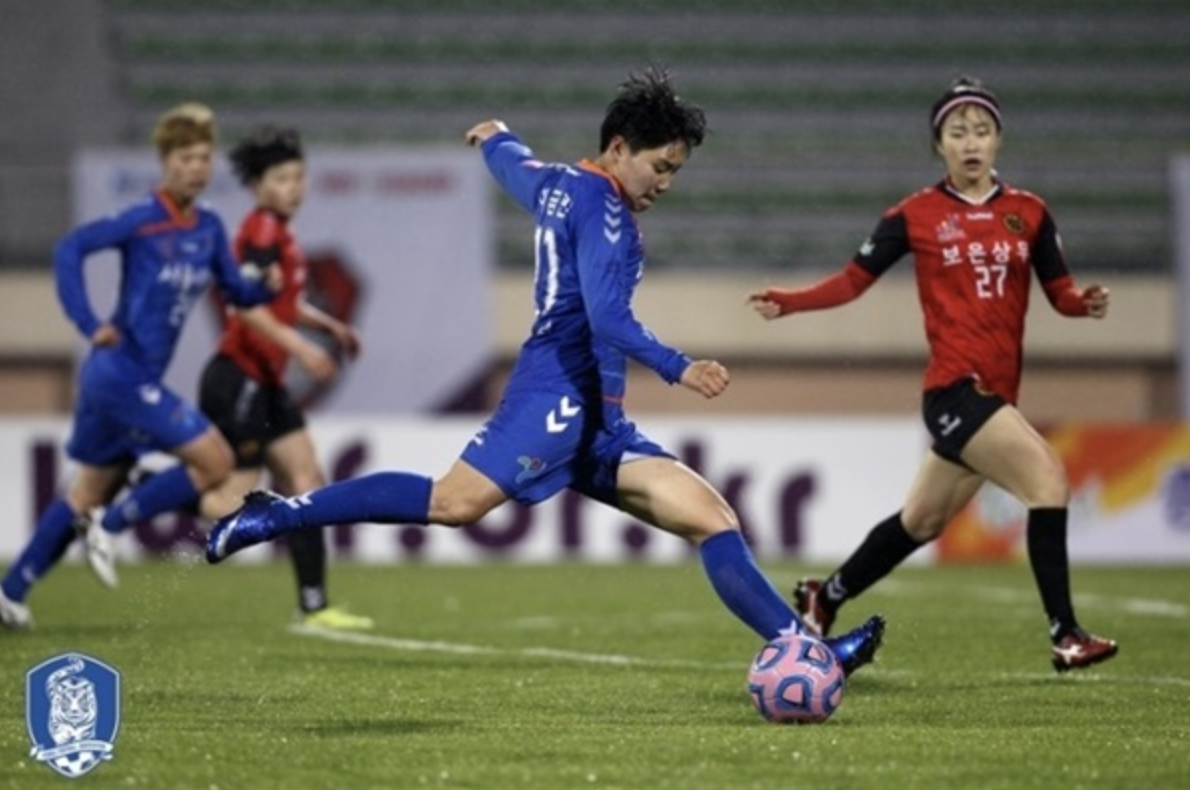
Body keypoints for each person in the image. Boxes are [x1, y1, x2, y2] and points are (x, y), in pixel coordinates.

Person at [204, 66, 886, 675]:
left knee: (711, 517)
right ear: (619, 148)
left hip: (599, 416)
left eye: (675, 171)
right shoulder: (605, 209)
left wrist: (495, 137)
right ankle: (280, 513)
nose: (665, 183)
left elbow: (516, 168)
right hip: (559, 393)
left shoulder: (562, 185)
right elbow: (607, 319)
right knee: (453, 503)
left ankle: (810, 651)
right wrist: (680, 367)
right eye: (660, 166)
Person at [747, 76, 1118, 673]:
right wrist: (791, 301)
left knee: (921, 521)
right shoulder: (914, 215)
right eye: (957, 132)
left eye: (981, 130)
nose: (970, 142)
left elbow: (1061, 292)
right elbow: (852, 282)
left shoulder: (1029, 213)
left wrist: (1084, 304)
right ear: (938, 145)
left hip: (996, 396)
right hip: (954, 390)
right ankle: (1065, 634)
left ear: (998, 140)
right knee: (1048, 481)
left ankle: (825, 595)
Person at [0, 103, 278, 629]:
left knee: (85, 491)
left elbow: (235, 291)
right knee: (215, 461)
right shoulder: (143, 219)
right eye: (185, 158)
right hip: (119, 373)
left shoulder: (209, 228)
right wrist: (88, 322)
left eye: (203, 158)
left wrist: (261, 285)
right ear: (164, 162)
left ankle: (10, 593)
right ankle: (110, 525)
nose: (196, 168)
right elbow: (70, 248)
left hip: (130, 380)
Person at [194, 125, 372, 630]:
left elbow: (283, 303)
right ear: (258, 186)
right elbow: (245, 309)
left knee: (306, 482)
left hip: (267, 383)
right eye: (282, 178)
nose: (294, 187)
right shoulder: (261, 233)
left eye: (298, 177)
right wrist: (303, 348)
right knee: (228, 500)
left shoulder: (280, 235)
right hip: (241, 377)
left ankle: (313, 605)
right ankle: (143, 490)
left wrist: (330, 327)